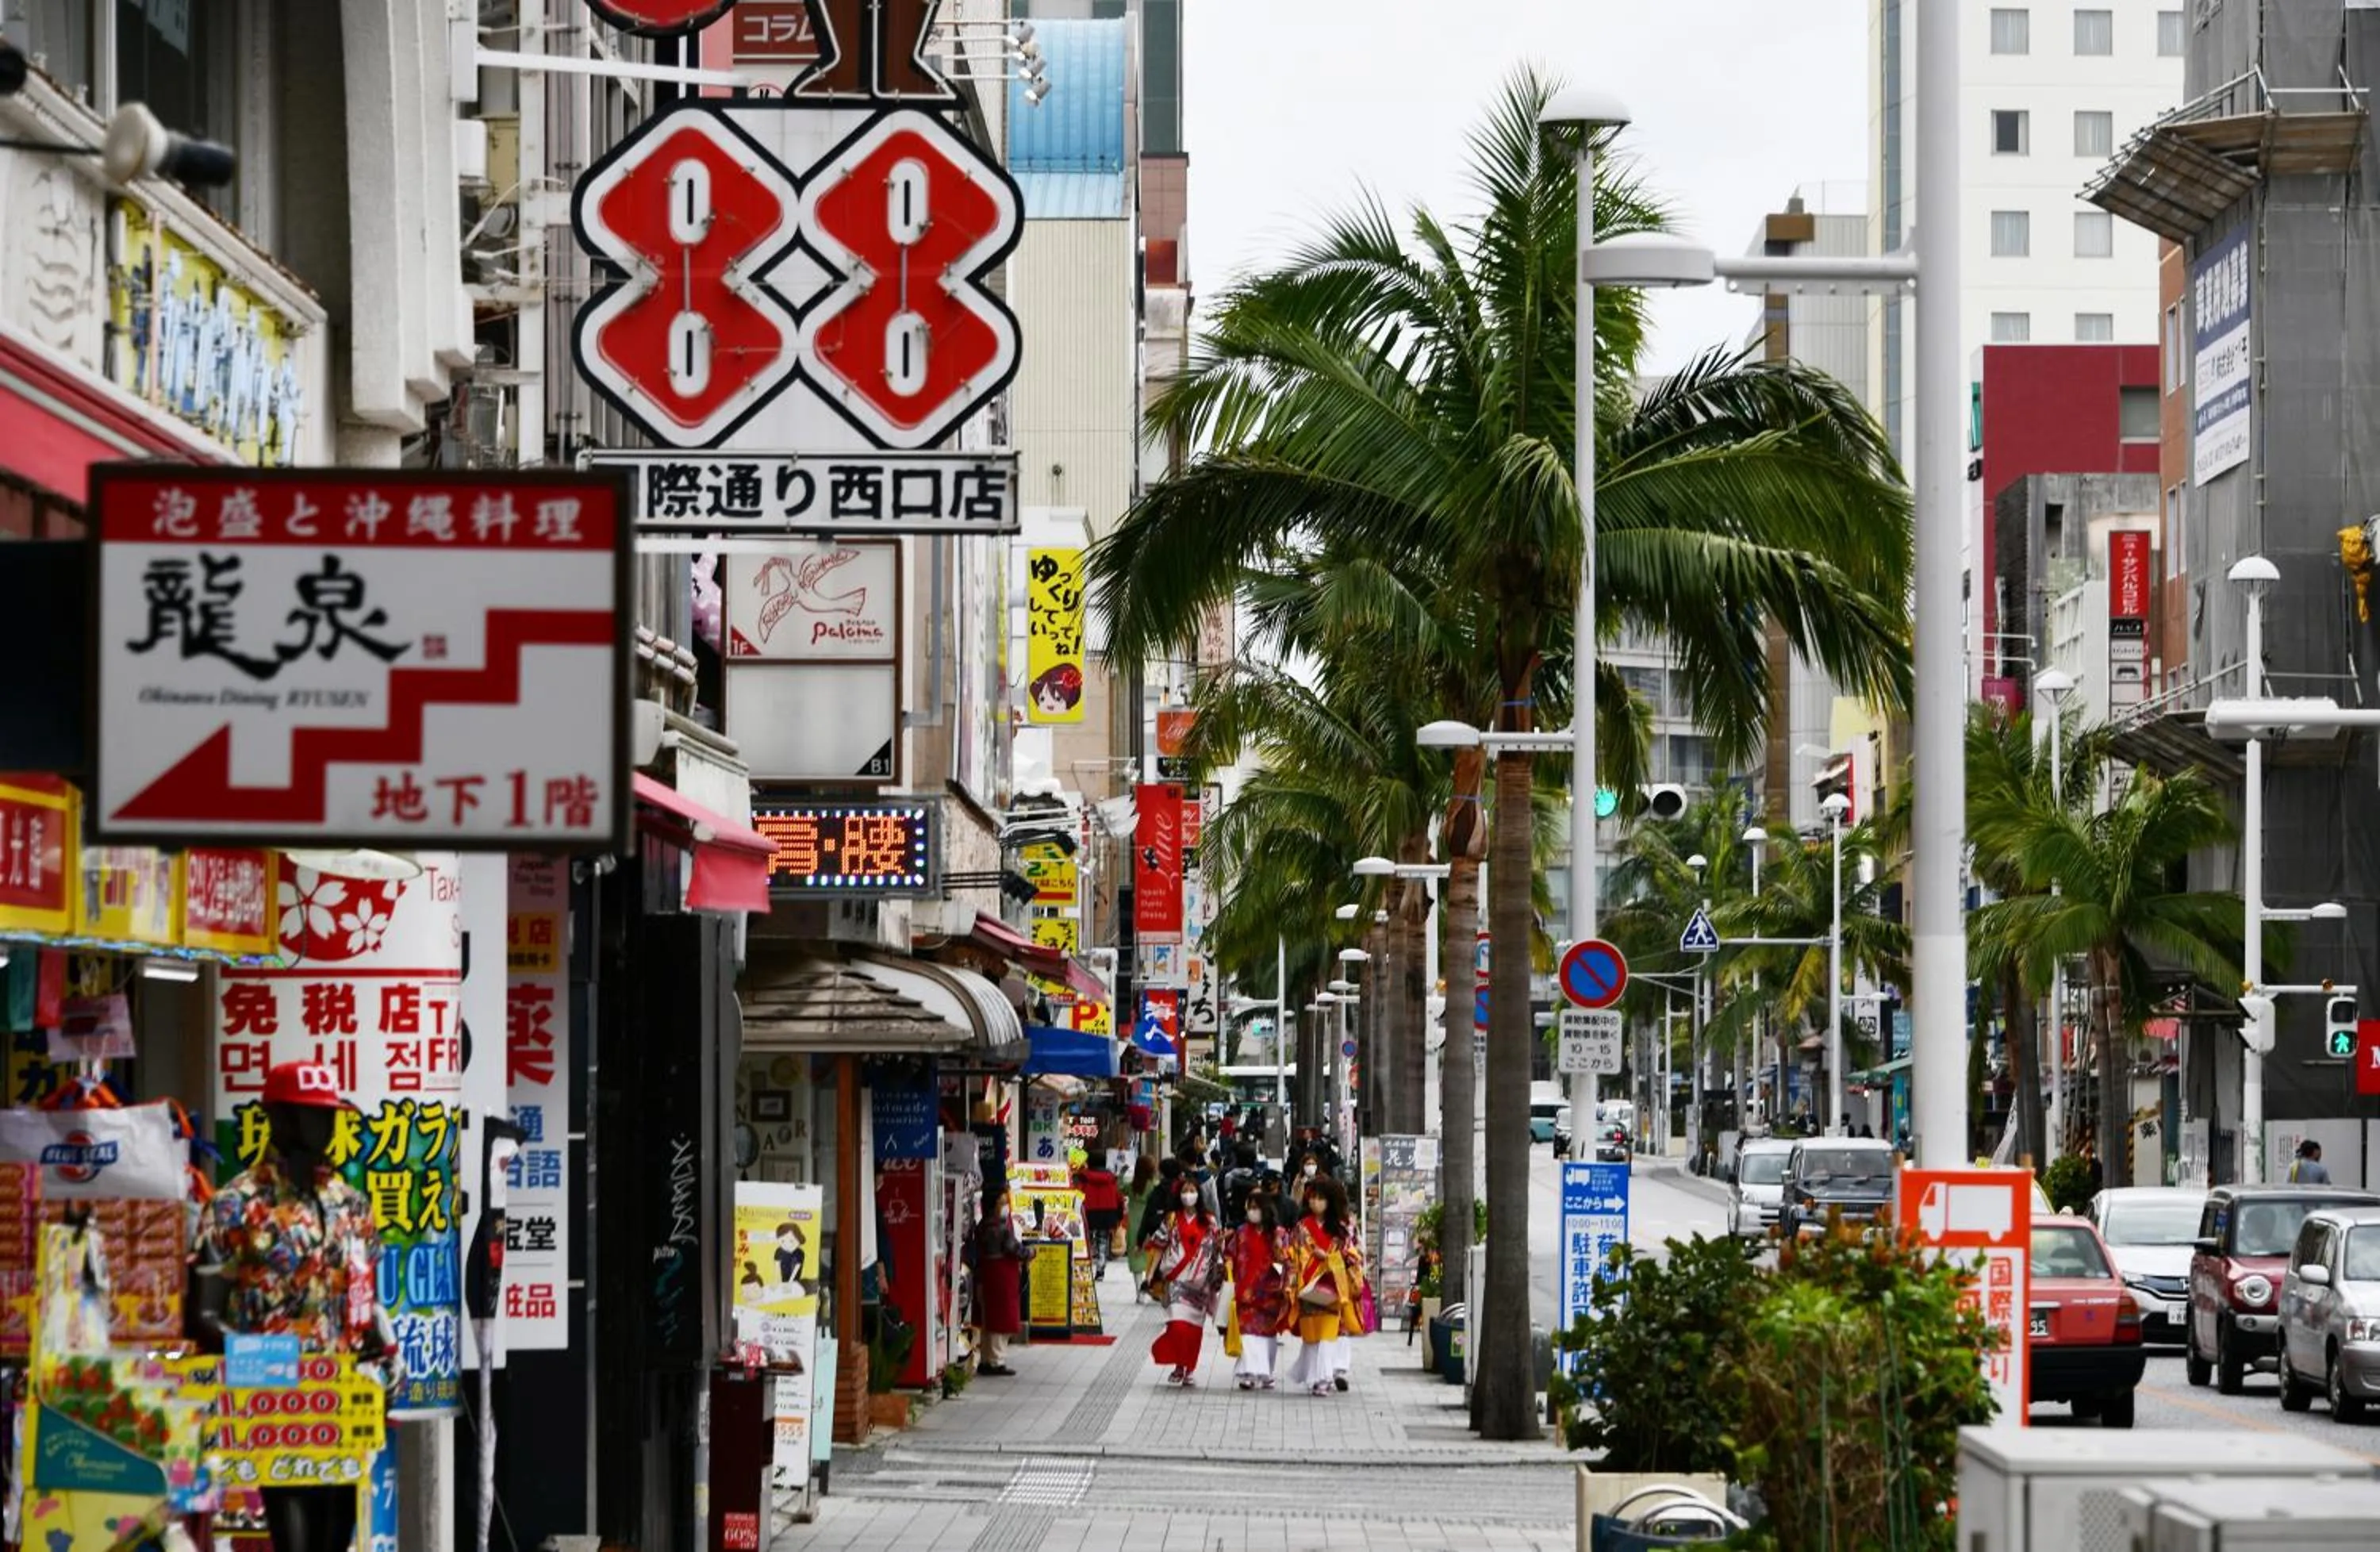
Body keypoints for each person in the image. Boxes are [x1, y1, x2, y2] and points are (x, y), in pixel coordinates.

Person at [194, 1061, 394, 1552]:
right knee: (295, 1533)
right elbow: (201, 1316)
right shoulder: (235, 1204)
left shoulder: (351, 1205)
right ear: (278, 1118)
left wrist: (387, 1353)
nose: (325, 1127)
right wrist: (257, 1362)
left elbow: (365, 1298)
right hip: (276, 1399)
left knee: (336, 1532)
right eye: (311, 1115)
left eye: (330, 1116)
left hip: (342, 1398)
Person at [1284, 1174, 1367, 1396]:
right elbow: (1293, 1255)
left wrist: (1330, 1258)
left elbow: (1355, 1256)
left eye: (1320, 1198)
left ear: (1330, 1200)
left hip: (1332, 1288)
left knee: (1328, 1333)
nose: (1315, 1202)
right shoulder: (1302, 1227)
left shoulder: (1341, 1229)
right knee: (1311, 1335)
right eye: (1312, 1198)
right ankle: (1314, 1377)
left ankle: (1323, 1378)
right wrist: (1292, 1283)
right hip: (1307, 1287)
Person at [1143, 1173, 1223, 1385]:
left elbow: (1217, 1249)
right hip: (1176, 1280)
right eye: (1186, 1191)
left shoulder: (1209, 1220)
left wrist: (1218, 1278)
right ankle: (1179, 1363)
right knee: (1177, 1325)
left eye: (1193, 1191)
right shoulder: (1170, 1219)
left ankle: (1188, 1368)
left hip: (1200, 1282)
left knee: (1194, 1330)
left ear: (1199, 1194)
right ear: (1179, 1194)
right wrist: (1150, 1274)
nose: (1189, 1195)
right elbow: (1159, 1247)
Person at [1226, 1192, 1291, 1390]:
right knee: (1247, 1332)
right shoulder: (1241, 1232)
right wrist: (1228, 1265)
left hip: (1269, 1292)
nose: (1252, 1212)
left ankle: (1265, 1372)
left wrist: (1280, 1249)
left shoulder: (1278, 1234)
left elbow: (1288, 1260)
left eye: (1256, 1207)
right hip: (1245, 1290)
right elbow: (1230, 1253)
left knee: (1266, 1336)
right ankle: (1248, 1372)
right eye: (1250, 1208)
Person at [973, 1184, 1025, 1377]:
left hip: (985, 1275)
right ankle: (996, 1360)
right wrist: (1030, 1252)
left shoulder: (981, 1226)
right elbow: (1014, 1248)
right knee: (1001, 1319)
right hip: (1001, 1277)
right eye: (1003, 1201)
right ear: (995, 1204)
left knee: (989, 1318)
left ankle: (986, 1358)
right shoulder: (999, 1228)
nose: (1006, 1204)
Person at [1074, 1148, 1123, 1276]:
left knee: (1087, 1240)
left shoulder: (1084, 1177)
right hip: (1107, 1212)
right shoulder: (1111, 1178)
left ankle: (1086, 1267)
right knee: (1103, 1240)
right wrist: (1120, 1213)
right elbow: (1118, 1197)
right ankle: (1101, 1268)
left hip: (1088, 1212)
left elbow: (1078, 1194)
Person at [1123, 1156, 1161, 1299]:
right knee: (1150, 1258)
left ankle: (1139, 1293)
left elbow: (1120, 1186)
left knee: (1136, 1258)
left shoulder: (1132, 1186)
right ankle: (1151, 1288)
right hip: (1150, 1225)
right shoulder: (1154, 1186)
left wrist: (1123, 1173)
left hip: (1133, 1225)